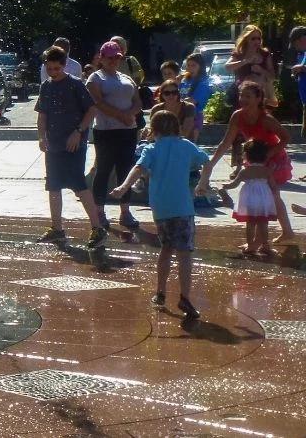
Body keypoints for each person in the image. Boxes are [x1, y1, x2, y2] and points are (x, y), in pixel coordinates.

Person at [110, 110, 208, 320]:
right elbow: (205, 161)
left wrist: (124, 186)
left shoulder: (151, 149)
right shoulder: (187, 146)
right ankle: (185, 297)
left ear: (153, 131)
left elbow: (137, 168)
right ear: (177, 128)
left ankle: (160, 292)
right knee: (184, 254)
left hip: (161, 209)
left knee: (166, 249)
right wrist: (202, 183)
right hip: (182, 208)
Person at [196, 80, 295, 244]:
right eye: (241, 95)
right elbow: (225, 143)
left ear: (258, 98)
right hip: (256, 158)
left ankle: (269, 237)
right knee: (261, 195)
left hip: (273, 158)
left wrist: (268, 155)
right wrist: (210, 165)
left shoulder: (266, 119)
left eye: (248, 96)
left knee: (272, 194)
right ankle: (281, 233)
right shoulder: (237, 116)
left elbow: (286, 138)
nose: (243, 99)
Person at [34, 46, 104, 246]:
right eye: (50, 69)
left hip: (74, 143)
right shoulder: (46, 86)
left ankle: (97, 228)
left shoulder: (75, 84)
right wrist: (41, 137)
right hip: (54, 144)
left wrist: (79, 131)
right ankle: (57, 228)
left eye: (56, 68)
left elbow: (91, 110)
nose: (53, 72)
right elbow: (42, 115)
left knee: (78, 184)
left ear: (64, 66)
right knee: (53, 186)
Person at [87, 41, 143, 232]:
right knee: (103, 170)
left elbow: (137, 102)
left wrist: (131, 114)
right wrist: (121, 116)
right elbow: (97, 102)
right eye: (110, 57)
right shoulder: (95, 78)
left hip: (127, 129)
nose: (113, 61)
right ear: (101, 58)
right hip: (105, 130)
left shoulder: (127, 78)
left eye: (117, 58)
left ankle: (125, 211)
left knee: (125, 170)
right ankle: (99, 211)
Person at [218, 140, 277, 257]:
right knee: (263, 223)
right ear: (265, 156)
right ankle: (265, 246)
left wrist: (225, 186)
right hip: (263, 199)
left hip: (249, 199)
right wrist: (273, 197)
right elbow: (273, 186)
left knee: (250, 223)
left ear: (247, 156)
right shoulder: (266, 170)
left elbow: (234, 184)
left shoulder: (245, 171)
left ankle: (250, 245)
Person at [227, 25, 276, 107]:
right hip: (243, 95)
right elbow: (227, 67)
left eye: (259, 38)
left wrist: (261, 70)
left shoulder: (265, 54)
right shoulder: (239, 54)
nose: (256, 41)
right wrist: (245, 61)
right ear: (246, 39)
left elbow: (272, 77)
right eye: (253, 38)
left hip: (262, 96)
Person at [179, 53, 212, 142]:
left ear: (200, 66)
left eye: (193, 65)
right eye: (188, 65)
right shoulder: (184, 80)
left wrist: (177, 102)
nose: (190, 68)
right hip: (181, 114)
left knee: (190, 143)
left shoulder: (203, 82)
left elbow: (193, 101)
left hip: (194, 116)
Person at [289, 26, 306, 143]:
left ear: (302, 39)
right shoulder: (304, 54)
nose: (296, 47)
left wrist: (302, 68)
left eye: (295, 44)